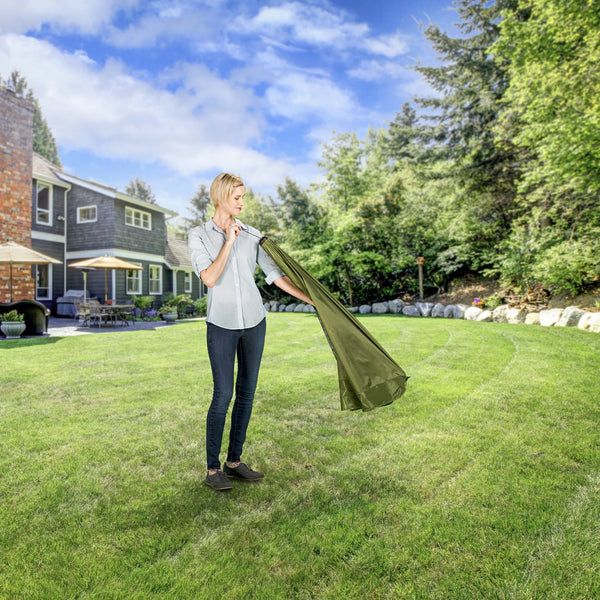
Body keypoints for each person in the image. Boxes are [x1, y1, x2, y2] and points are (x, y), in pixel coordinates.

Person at [188, 173, 313, 491]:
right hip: (221, 325)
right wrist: (229, 240)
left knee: (246, 395)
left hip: (255, 322)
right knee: (222, 396)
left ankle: (234, 462)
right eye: (238, 197)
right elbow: (210, 278)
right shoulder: (198, 235)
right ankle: (213, 469)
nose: (243, 202)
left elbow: (275, 275)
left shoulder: (253, 234)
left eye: (244, 197)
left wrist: (311, 298)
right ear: (221, 197)